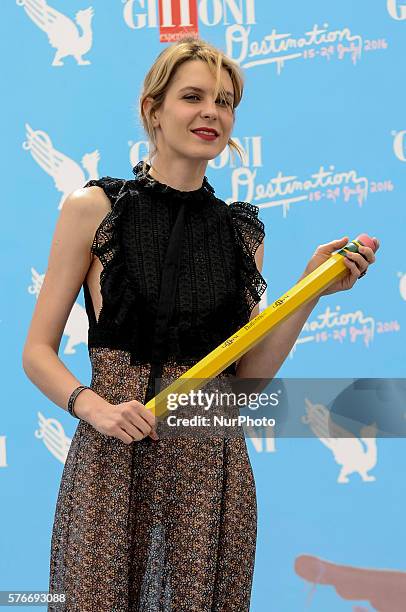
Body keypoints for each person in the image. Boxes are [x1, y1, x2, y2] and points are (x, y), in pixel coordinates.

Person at [22, 36, 379, 611]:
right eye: (193, 96)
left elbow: (247, 383)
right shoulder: (93, 208)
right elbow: (37, 350)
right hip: (113, 461)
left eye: (226, 101)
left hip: (210, 469)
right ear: (153, 109)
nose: (212, 112)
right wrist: (95, 408)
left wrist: (311, 291)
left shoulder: (243, 235)